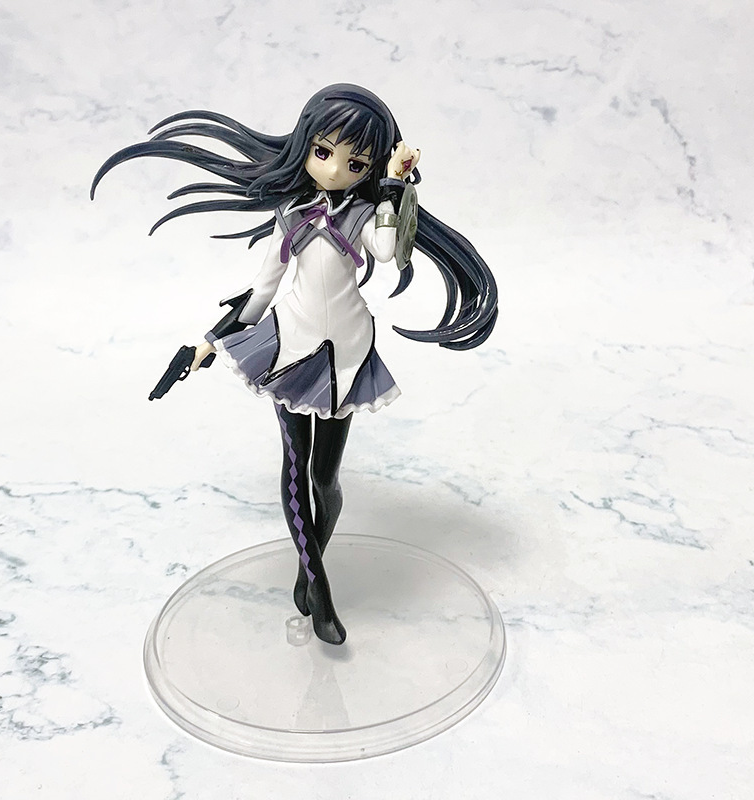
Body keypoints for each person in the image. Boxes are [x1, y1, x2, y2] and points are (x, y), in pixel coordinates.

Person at [92, 84, 498, 644]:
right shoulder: (290, 216)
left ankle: (309, 571)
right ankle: (321, 595)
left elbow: (387, 252)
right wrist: (209, 341)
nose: (334, 170)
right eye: (323, 152)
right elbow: (261, 291)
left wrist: (394, 185)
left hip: (347, 354)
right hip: (290, 349)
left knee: (325, 479)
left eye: (355, 162)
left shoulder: (365, 213)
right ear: (306, 145)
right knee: (294, 468)